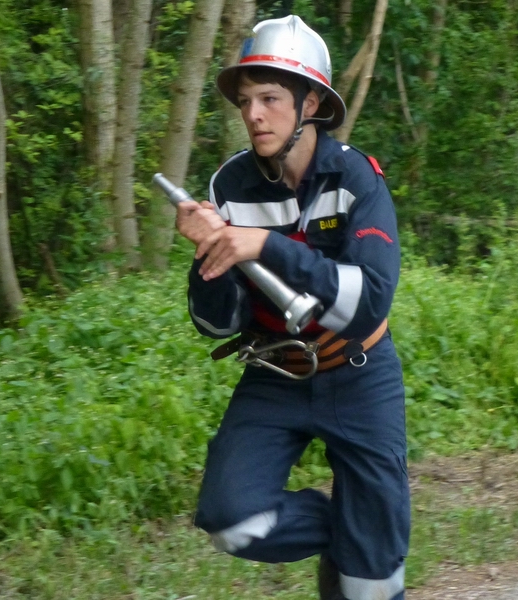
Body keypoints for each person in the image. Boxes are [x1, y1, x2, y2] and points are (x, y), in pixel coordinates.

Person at [172, 15, 409, 600]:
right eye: (245, 101)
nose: (253, 114)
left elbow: (368, 300)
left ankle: (363, 546)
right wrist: (207, 256)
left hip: (359, 372)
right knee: (231, 520)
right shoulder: (231, 185)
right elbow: (216, 323)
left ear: (311, 104)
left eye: (270, 98)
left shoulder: (357, 178)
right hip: (276, 374)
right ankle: (347, 531)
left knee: (372, 585)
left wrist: (266, 246)